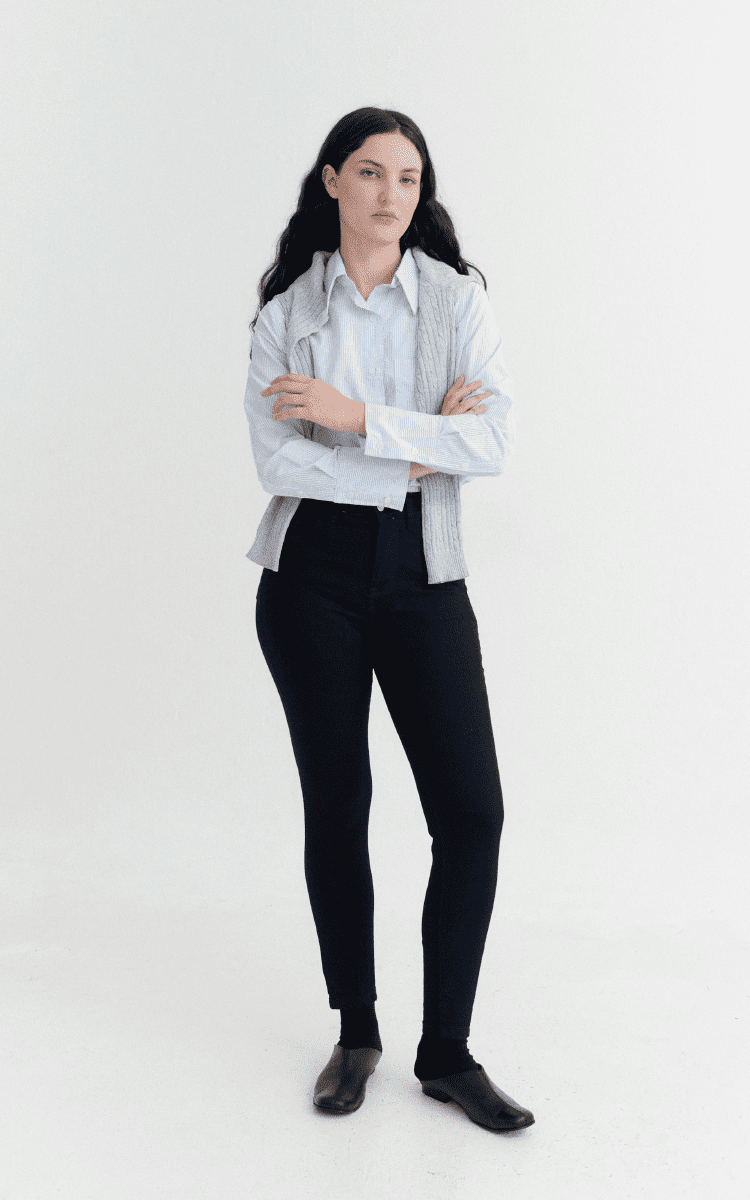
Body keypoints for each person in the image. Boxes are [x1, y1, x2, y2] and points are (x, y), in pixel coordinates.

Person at [243, 107, 534, 1133]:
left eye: (409, 178)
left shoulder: (456, 301)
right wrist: (413, 457)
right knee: (340, 805)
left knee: (473, 814)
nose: (391, 195)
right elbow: (277, 462)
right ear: (332, 180)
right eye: (370, 173)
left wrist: (355, 419)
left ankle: (446, 1052)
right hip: (308, 580)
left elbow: (491, 440)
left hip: (424, 573)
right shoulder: (288, 308)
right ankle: (356, 1031)